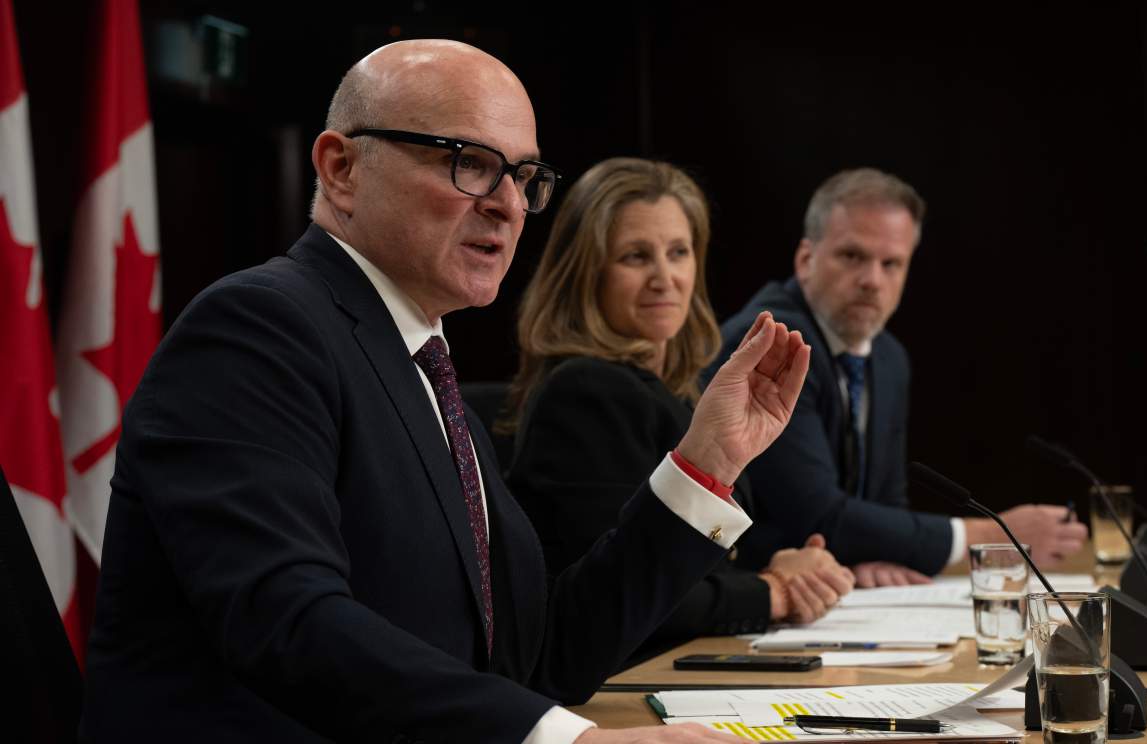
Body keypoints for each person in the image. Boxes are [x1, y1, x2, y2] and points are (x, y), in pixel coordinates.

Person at [81, 40, 811, 744]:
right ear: (340, 169)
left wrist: (706, 461)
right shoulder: (257, 328)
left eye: (524, 177)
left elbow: (542, 655)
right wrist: (568, 740)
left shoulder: (421, 360)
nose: (509, 205)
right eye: (469, 163)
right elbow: (286, 619)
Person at [502, 158, 854, 663]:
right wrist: (773, 591)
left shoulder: (685, 390)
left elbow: (693, 559)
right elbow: (620, 591)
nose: (664, 278)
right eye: (635, 256)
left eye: (678, 253)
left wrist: (791, 565)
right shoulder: (585, 392)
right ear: (587, 274)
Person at [708, 168, 1087, 587]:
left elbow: (886, 502)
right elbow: (813, 513)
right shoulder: (769, 344)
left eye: (892, 264)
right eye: (852, 257)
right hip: (744, 602)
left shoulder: (888, 357)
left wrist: (869, 557)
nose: (873, 280)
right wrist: (989, 535)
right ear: (805, 260)